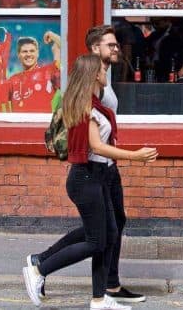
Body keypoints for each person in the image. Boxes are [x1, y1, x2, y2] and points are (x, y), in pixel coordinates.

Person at [22, 54, 157, 310]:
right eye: (103, 69)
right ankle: (39, 270)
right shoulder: (86, 105)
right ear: (95, 74)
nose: (107, 72)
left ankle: (99, 299)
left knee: (108, 234)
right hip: (85, 178)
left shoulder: (93, 101)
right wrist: (135, 156)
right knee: (96, 241)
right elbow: (96, 146)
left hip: (97, 176)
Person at [0, 32, 61, 112]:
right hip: (18, 124)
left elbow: (67, 49)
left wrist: (51, 35)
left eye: (32, 51)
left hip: (42, 124)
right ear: (18, 55)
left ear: (37, 53)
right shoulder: (13, 79)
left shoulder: (48, 71)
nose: (28, 54)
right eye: (24, 51)